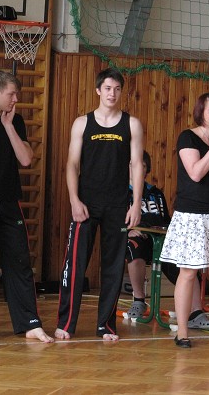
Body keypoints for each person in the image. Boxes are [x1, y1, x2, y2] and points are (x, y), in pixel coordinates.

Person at [55, 68, 144, 342]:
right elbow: (71, 164)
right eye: (107, 88)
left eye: (117, 88)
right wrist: (74, 199)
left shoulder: (132, 124)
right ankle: (66, 324)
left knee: (113, 267)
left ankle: (106, 325)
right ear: (98, 90)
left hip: (118, 206)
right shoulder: (82, 123)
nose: (112, 93)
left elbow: (137, 165)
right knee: (76, 264)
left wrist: (136, 203)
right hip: (86, 205)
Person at [0, 70, 54, 344]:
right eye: (11, 94)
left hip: (8, 201)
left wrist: (8, 127)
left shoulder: (15, 120)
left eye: (16, 94)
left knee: (19, 262)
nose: (15, 99)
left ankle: (29, 322)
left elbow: (26, 159)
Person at [160, 92, 209, 349]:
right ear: (200, 112)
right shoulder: (187, 137)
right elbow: (195, 173)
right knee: (188, 273)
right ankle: (182, 332)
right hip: (192, 215)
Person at [125, 151, 209, 330]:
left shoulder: (156, 193)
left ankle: (196, 312)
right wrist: (127, 231)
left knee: (187, 260)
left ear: (146, 169)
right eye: (132, 166)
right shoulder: (121, 192)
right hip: (137, 238)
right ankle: (139, 300)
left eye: (141, 166)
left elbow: (167, 220)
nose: (136, 170)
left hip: (162, 239)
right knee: (135, 248)